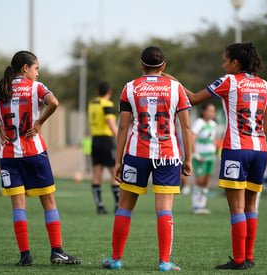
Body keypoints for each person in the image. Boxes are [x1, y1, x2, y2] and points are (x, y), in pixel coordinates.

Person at [164, 42, 267, 270]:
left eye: (225, 60)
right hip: (260, 150)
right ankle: (249, 257)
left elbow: (193, 99)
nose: (222, 65)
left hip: (236, 150)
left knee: (236, 208)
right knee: (251, 207)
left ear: (235, 62)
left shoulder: (229, 81)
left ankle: (239, 260)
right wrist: (256, 140)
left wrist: (173, 81)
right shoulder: (264, 85)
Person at [0, 51, 82, 266]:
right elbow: (54, 103)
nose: (37, 73)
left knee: (18, 207)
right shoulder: (36, 88)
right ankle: (57, 251)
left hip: (9, 155)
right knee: (48, 202)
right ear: (25, 68)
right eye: (36, 68)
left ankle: (25, 255)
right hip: (34, 152)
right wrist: (39, 123)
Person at [101, 46, 192, 271]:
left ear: (141, 65)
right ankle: (164, 262)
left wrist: (118, 161)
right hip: (168, 155)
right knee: (164, 209)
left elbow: (123, 127)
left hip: (136, 154)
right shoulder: (176, 88)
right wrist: (188, 159)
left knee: (124, 207)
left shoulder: (130, 88)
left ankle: (116, 259)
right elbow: (186, 127)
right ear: (164, 66)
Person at [88, 81, 120, 214]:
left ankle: (99, 206)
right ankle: (118, 206)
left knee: (97, 174)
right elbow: (110, 123)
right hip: (107, 141)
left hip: (95, 140)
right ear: (109, 92)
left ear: (97, 92)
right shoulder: (108, 104)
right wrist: (120, 139)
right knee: (115, 173)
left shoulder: (92, 104)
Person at [191, 103, 217, 214]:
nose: (212, 113)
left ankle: (202, 205)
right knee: (199, 181)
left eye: (213, 111)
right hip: (200, 156)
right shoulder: (199, 123)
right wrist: (195, 154)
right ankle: (196, 206)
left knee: (206, 182)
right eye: (210, 110)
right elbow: (192, 137)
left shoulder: (214, 124)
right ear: (204, 111)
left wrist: (215, 150)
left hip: (210, 156)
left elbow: (214, 139)